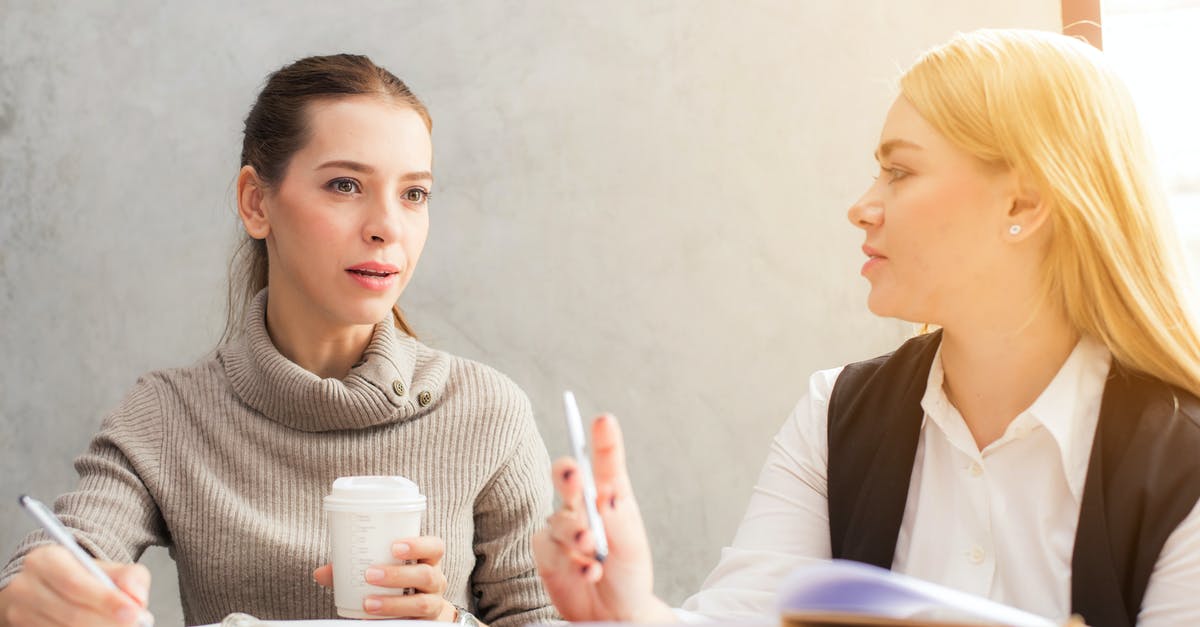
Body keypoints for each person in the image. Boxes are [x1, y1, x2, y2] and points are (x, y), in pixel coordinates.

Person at [533, 28, 1200, 627]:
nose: (861, 207)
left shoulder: (1182, 462)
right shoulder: (835, 413)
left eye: (899, 171)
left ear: (1022, 203)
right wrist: (633, 612)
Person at [0, 54, 556, 627]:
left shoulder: (489, 413)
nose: (387, 227)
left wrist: (449, 623)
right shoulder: (168, 416)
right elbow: (64, 557)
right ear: (256, 202)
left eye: (414, 194)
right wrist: (33, 597)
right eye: (345, 185)